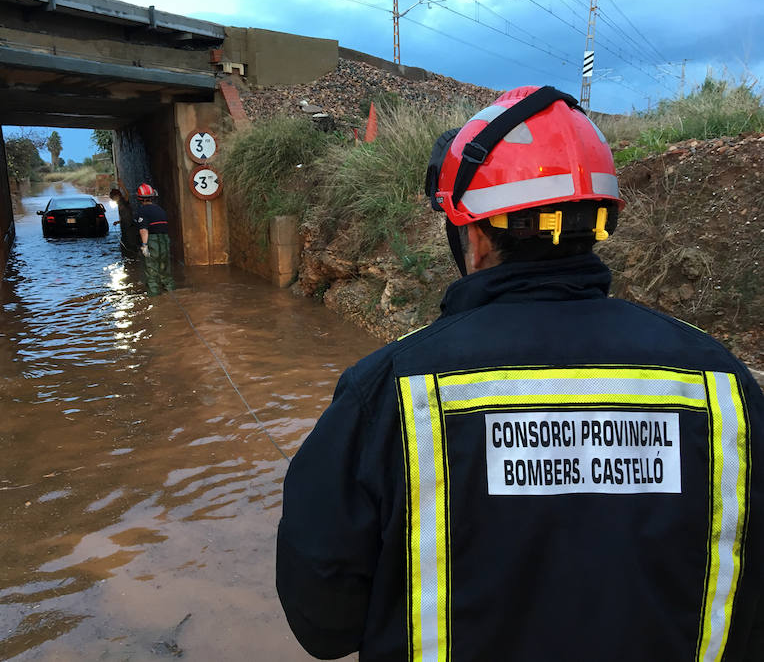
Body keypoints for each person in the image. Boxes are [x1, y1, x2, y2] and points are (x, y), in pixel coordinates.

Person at [276, 86, 763, 661]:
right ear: (598, 224)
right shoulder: (723, 384)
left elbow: (322, 623)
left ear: (476, 237)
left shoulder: (389, 390)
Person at [135, 182, 174, 295]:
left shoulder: (141, 211)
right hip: (164, 241)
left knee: (151, 272)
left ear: (139, 198)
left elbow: (143, 230)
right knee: (165, 271)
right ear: (152, 196)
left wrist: (144, 245)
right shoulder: (160, 210)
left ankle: (156, 303)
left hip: (152, 243)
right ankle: (171, 292)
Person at [110, 180, 141, 257]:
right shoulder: (120, 203)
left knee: (132, 244)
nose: (112, 199)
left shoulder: (123, 201)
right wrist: (118, 222)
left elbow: (127, 194)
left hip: (130, 227)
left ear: (117, 196)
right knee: (127, 245)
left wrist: (122, 185)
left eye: (113, 197)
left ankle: (135, 259)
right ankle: (131, 260)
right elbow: (125, 216)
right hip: (126, 227)